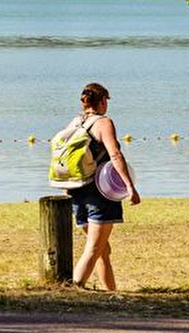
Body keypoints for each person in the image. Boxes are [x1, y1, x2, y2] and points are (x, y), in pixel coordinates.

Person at [65, 82, 140, 291]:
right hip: (100, 192)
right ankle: (72, 288)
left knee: (102, 250)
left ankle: (110, 293)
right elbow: (115, 154)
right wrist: (129, 186)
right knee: (94, 248)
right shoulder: (103, 123)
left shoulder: (75, 123)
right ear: (102, 101)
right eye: (106, 100)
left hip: (77, 190)